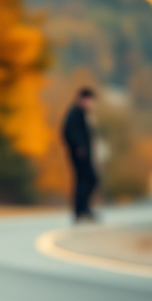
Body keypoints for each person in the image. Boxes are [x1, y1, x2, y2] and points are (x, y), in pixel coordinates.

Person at [62, 87, 98, 222]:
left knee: (87, 180)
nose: (91, 104)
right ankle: (80, 210)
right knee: (86, 180)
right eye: (90, 100)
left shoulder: (83, 113)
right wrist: (78, 147)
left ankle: (83, 209)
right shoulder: (75, 113)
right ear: (83, 99)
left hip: (84, 153)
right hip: (80, 154)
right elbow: (68, 132)